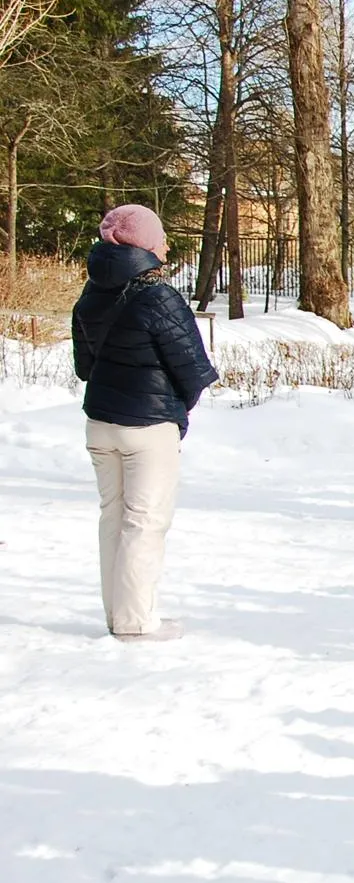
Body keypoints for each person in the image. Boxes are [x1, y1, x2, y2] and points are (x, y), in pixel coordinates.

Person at [70, 204, 219, 642]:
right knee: (145, 523)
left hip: (99, 422)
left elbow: (85, 367)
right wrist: (177, 409)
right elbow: (193, 369)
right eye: (160, 236)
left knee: (113, 519)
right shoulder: (159, 296)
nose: (167, 244)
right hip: (148, 427)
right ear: (145, 244)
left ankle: (118, 615)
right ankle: (136, 622)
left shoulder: (91, 292)